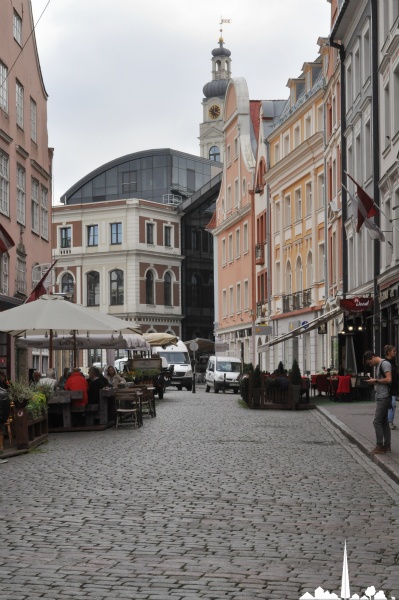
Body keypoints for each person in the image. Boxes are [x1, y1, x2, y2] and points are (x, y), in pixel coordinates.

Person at [364, 350, 392, 454]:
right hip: (382, 396)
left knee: (377, 421)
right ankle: (387, 445)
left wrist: (375, 381)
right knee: (384, 422)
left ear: (373, 357)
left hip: (384, 396)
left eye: (369, 362)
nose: (370, 365)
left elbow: (389, 379)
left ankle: (380, 446)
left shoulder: (384, 364)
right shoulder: (381, 364)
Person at [384, 345, 398, 430]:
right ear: (389, 352)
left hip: (394, 386)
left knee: (393, 405)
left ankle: (390, 421)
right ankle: (389, 422)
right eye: (394, 351)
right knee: (391, 405)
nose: (395, 353)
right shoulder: (387, 363)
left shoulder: (393, 362)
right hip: (390, 387)